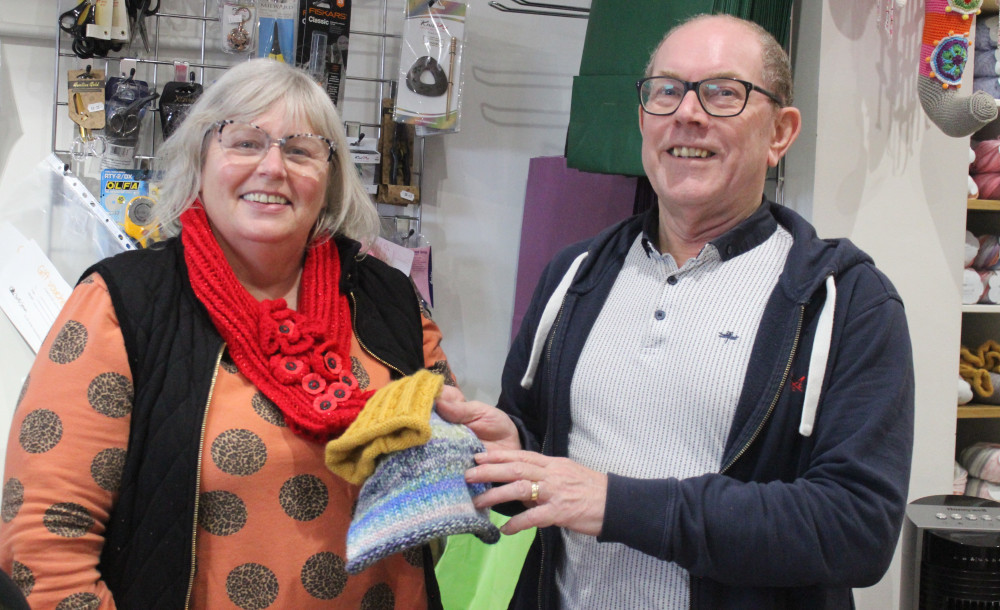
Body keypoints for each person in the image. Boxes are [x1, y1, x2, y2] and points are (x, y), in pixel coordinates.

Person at [436, 13, 915, 609]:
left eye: (722, 93)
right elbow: (550, 476)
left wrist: (617, 504)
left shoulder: (845, 302)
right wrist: (513, 449)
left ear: (780, 133)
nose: (687, 112)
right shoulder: (574, 275)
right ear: (643, 119)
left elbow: (855, 528)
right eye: (666, 90)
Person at [0, 58, 455, 608]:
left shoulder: (390, 299)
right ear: (200, 158)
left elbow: (448, 478)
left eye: (301, 149)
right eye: (244, 142)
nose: (272, 167)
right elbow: (46, 541)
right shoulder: (122, 304)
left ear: (331, 177)